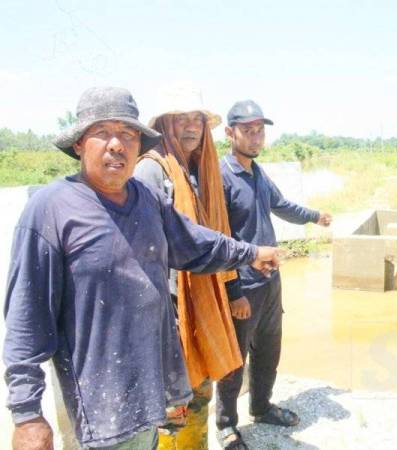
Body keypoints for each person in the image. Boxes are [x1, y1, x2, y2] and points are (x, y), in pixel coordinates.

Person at [3, 87, 281, 450]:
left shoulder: (147, 199)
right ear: (78, 144)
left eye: (128, 134)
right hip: (102, 409)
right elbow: (27, 320)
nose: (117, 144)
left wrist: (250, 252)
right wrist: (27, 416)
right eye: (103, 132)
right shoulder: (51, 210)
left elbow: (196, 244)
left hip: (154, 394)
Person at [134, 88, 248, 449]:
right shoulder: (151, 170)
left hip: (199, 303)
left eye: (196, 119)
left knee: (199, 393)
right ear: (164, 124)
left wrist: (231, 289)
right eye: (180, 119)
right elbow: (143, 252)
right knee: (174, 406)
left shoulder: (196, 171)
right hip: (171, 313)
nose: (191, 127)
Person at [215, 100, 332, 449]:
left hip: (270, 282)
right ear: (229, 133)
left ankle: (262, 407)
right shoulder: (221, 176)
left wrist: (314, 216)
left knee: (269, 350)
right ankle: (226, 424)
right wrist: (233, 291)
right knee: (235, 360)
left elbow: (281, 206)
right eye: (247, 130)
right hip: (243, 286)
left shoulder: (257, 173)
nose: (255, 137)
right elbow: (219, 239)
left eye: (259, 130)